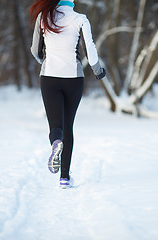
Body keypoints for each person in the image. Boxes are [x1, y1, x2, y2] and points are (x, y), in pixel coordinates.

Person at [29, 0, 106, 189]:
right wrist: (98, 71)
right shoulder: (81, 19)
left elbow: (34, 50)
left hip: (49, 78)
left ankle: (55, 142)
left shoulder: (43, 17)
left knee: (56, 126)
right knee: (68, 126)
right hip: (73, 78)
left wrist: (45, 61)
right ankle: (64, 178)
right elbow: (91, 50)